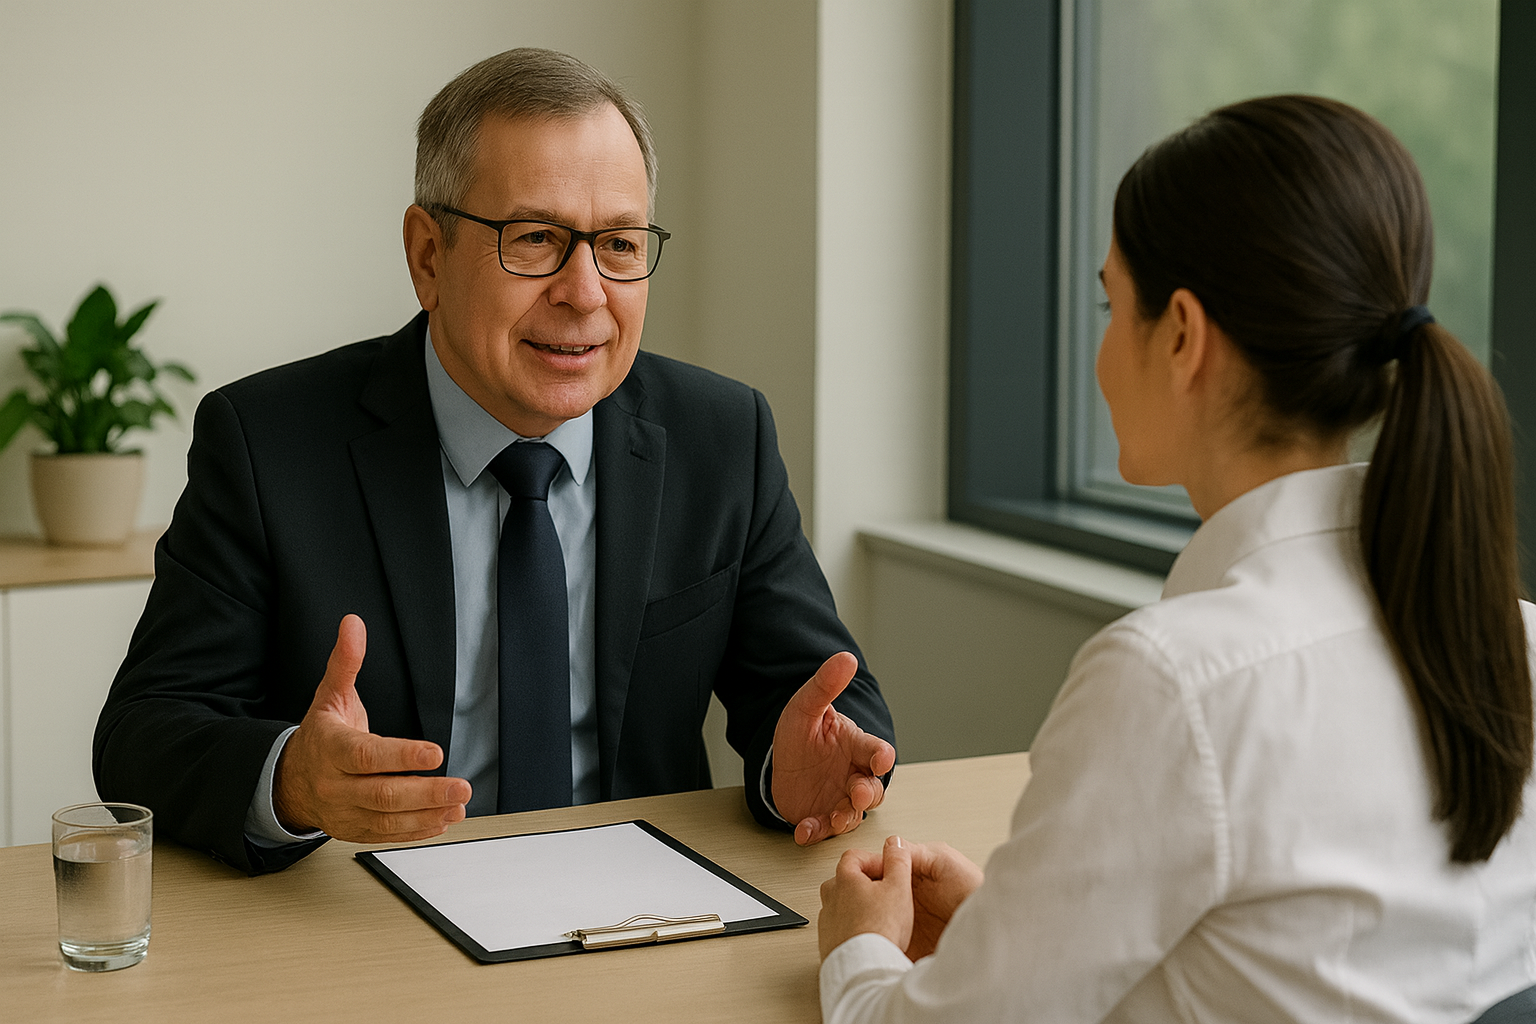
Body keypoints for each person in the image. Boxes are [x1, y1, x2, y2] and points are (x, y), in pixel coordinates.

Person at [816, 95, 1536, 1022]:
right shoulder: (1513, 644)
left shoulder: (1175, 683)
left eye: (1113, 306)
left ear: (1185, 336)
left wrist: (859, 950)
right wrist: (1006, 928)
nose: (1103, 353)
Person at [93, 47, 896, 876]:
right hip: (371, 927)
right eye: (536, 239)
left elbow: (827, 700)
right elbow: (144, 733)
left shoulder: (722, 437)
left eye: (619, 244)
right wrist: (293, 780)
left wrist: (799, 771)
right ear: (428, 257)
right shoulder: (268, 444)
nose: (585, 292)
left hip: (639, 917)